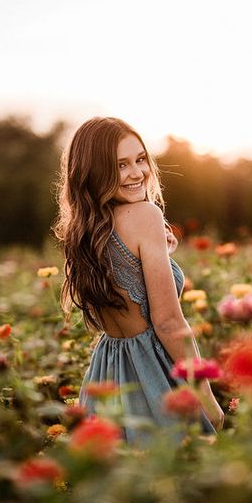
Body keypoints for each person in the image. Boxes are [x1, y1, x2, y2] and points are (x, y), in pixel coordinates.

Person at [55, 116, 223, 442]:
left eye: (140, 159)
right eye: (120, 165)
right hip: (153, 375)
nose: (137, 173)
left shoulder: (82, 231)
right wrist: (208, 400)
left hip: (107, 374)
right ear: (95, 172)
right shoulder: (146, 216)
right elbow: (169, 323)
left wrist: (162, 250)